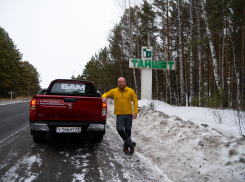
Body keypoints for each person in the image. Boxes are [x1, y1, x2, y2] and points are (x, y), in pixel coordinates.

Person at [102, 77, 138, 155]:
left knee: (128, 131)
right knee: (120, 130)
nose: (121, 84)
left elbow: (135, 101)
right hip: (119, 115)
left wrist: (135, 112)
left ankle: (126, 147)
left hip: (128, 114)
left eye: (122, 82)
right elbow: (106, 93)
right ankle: (131, 143)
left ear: (125, 82)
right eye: (119, 82)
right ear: (118, 83)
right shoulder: (114, 91)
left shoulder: (131, 91)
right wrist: (104, 97)